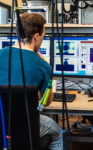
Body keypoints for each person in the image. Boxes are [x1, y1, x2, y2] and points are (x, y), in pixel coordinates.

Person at [0, 13, 63, 150]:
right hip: (26, 129)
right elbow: (46, 101)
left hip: (3, 128)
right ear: (36, 36)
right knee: (57, 132)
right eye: (43, 36)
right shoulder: (42, 65)